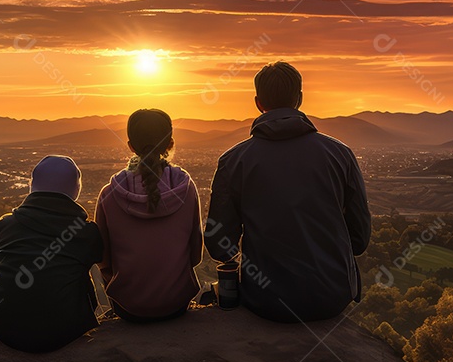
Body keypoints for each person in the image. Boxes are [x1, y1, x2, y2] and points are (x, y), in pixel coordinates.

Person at [205, 61, 370, 323]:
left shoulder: (234, 161)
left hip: (265, 301)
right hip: (331, 299)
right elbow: (359, 240)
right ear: (300, 99)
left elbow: (219, 247)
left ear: (258, 103)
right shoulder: (340, 155)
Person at [0, 155, 103, 353]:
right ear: (76, 190)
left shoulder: (1, 227)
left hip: (6, 331)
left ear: (31, 186)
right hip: (68, 332)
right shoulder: (88, 233)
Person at [95, 109, 203, 322]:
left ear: (131, 146)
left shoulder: (109, 194)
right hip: (176, 304)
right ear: (170, 143)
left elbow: (102, 259)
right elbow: (195, 255)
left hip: (128, 307)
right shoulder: (186, 189)